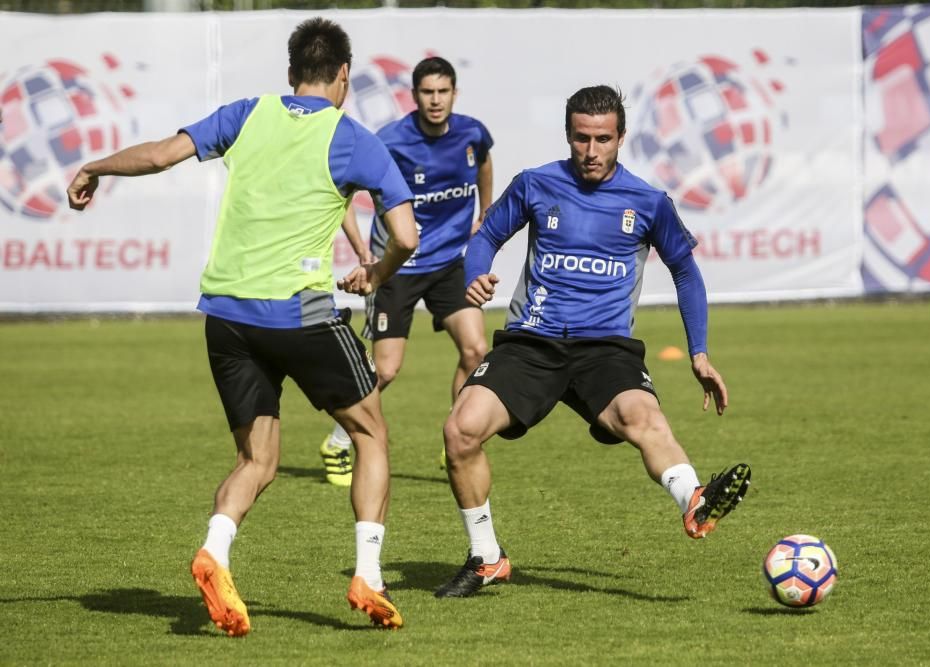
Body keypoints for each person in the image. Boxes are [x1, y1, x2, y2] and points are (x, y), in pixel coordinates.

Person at [66, 18, 418, 633]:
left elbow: (156, 156)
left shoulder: (246, 113)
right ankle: (369, 575)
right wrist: (377, 273)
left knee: (257, 459)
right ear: (343, 76)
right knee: (370, 434)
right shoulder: (355, 138)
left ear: (289, 75)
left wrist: (94, 166)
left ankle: (216, 551)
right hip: (300, 312)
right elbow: (408, 237)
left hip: (226, 315)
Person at [434, 85, 751, 598]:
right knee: (459, 432)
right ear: (569, 135)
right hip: (532, 342)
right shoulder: (535, 184)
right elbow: (486, 237)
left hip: (605, 348)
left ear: (621, 137)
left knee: (643, 418)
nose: (592, 150)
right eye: (582, 138)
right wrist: (477, 273)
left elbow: (686, 274)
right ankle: (487, 556)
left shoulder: (648, 202)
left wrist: (699, 353)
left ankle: (694, 501)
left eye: (603, 138)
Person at [319, 56, 493, 485]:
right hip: (398, 266)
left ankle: (458, 437)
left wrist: (485, 213)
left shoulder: (473, 133)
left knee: (476, 351)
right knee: (388, 370)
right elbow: (343, 192)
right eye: (427, 92)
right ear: (414, 96)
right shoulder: (390, 140)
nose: (436, 100)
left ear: (454, 93)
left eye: (443, 91)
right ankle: (339, 440)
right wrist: (363, 250)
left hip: (450, 263)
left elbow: (484, 163)